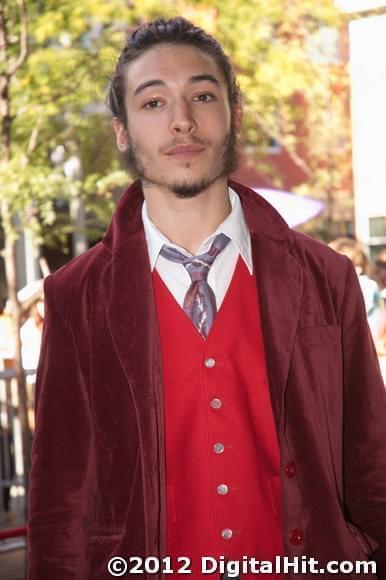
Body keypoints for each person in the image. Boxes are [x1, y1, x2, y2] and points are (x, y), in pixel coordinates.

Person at [28, 17, 386, 580]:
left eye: (202, 95)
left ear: (234, 115)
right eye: (152, 103)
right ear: (121, 131)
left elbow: (372, 464)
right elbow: (59, 500)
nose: (181, 120)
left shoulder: (326, 277)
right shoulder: (75, 297)